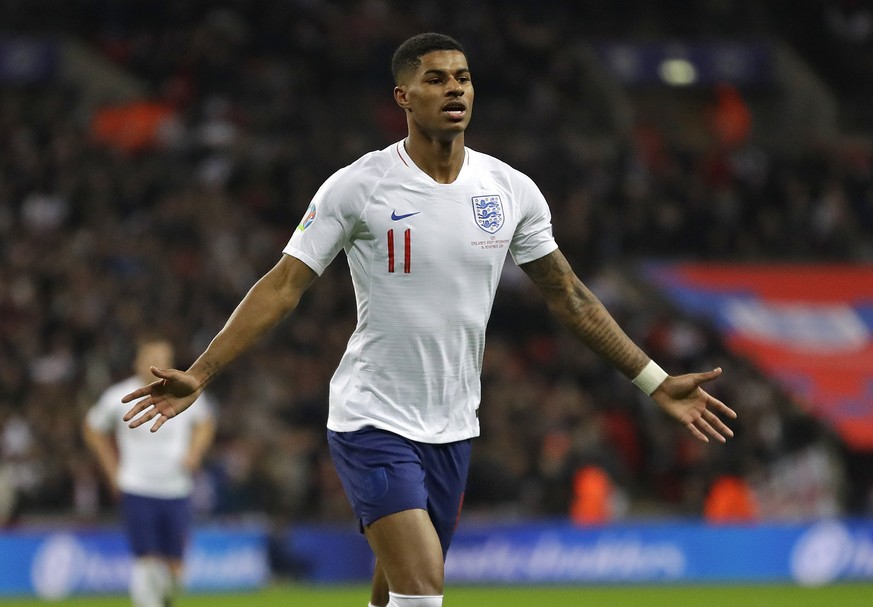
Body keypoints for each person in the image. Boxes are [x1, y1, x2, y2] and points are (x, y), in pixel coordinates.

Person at [122, 33, 737, 607]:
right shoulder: (359, 187)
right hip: (371, 418)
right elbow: (283, 286)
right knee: (423, 590)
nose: (455, 90)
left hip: (452, 425)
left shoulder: (510, 190)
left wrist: (655, 381)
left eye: (464, 79)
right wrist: (200, 373)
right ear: (403, 97)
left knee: (395, 592)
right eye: (438, 79)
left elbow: (570, 297)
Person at [83, 335, 216, 607]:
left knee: (176, 568)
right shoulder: (119, 395)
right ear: (137, 362)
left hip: (176, 488)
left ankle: (163, 595)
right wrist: (112, 469)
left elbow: (206, 423)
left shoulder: (184, 391)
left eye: (162, 358)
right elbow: (92, 428)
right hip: (137, 486)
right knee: (145, 559)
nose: (156, 364)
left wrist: (195, 453)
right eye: (150, 358)